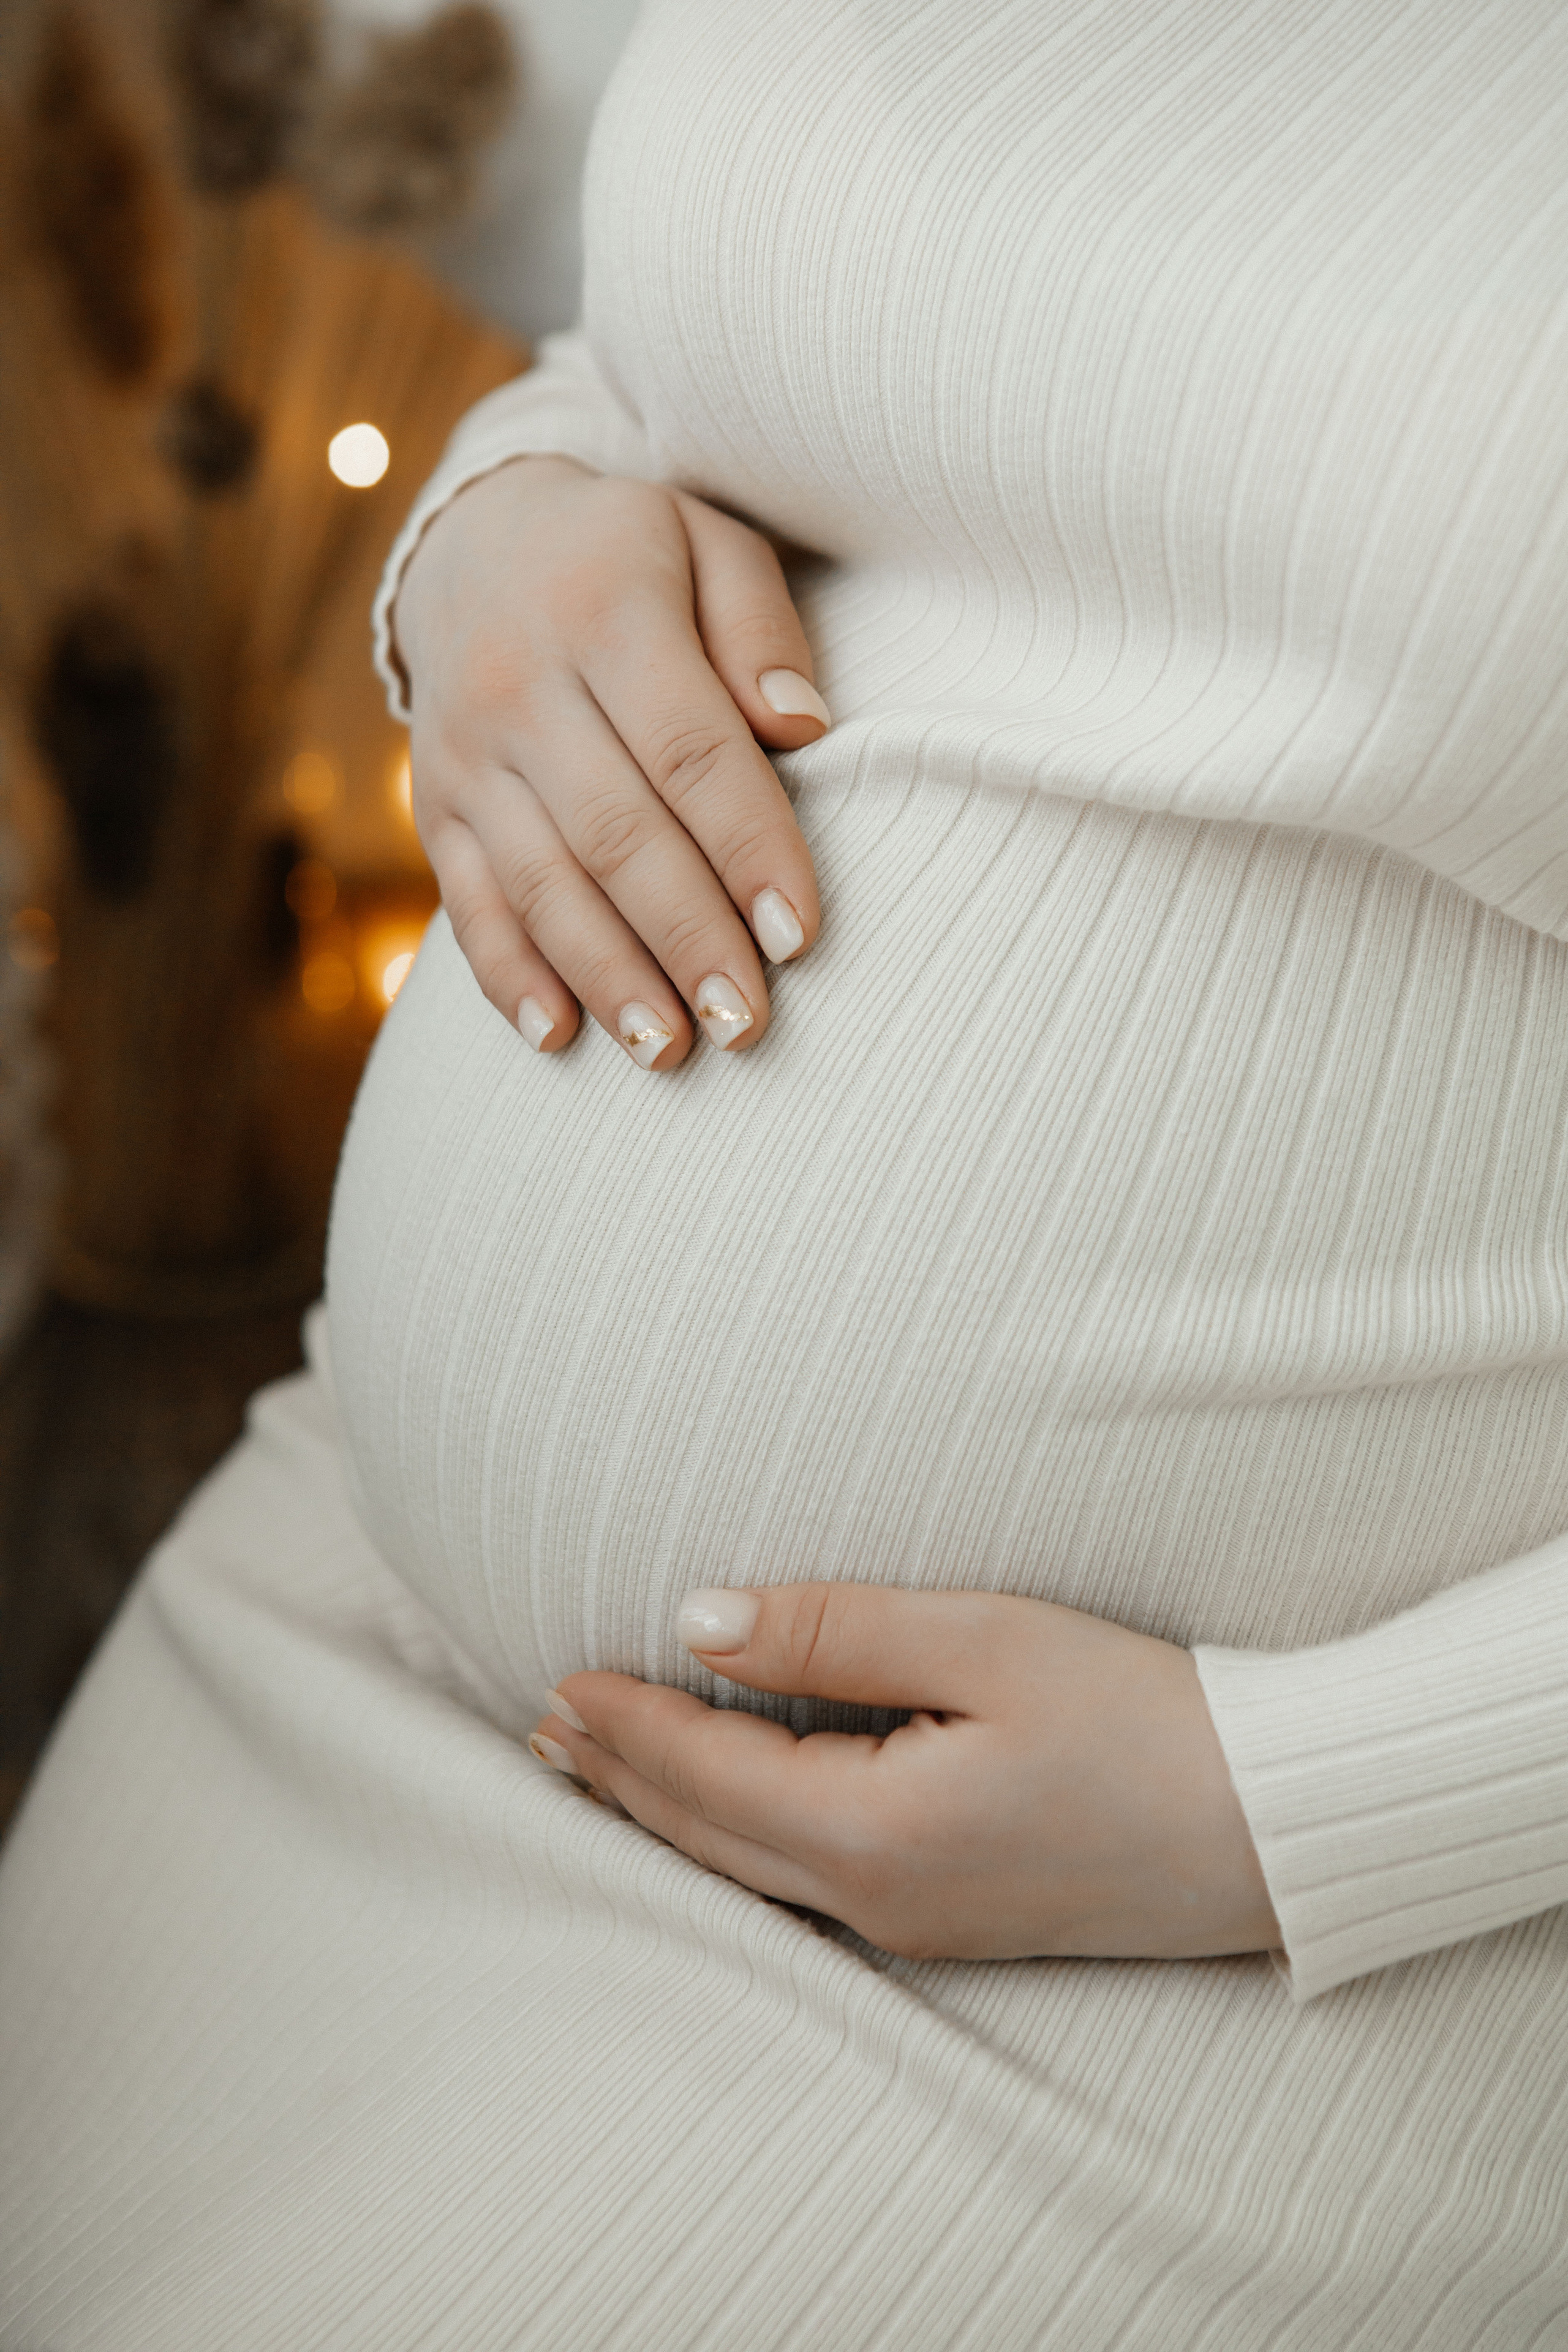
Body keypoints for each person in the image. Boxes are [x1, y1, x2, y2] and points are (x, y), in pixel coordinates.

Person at [3, 1, 1567, 2343]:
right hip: (352, 1596)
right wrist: (498, 533)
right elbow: (698, 358)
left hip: (1181, 1955)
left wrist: (1320, 1802)